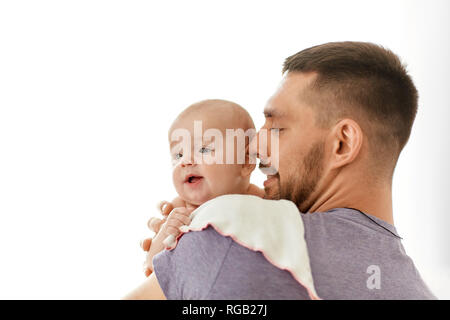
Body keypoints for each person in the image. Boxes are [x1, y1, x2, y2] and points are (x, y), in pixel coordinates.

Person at [125, 41, 436, 299]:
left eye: (276, 126)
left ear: (342, 143)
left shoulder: (235, 228)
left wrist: (188, 250)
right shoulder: (418, 293)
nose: (255, 147)